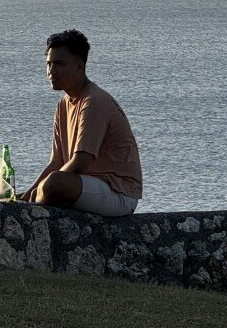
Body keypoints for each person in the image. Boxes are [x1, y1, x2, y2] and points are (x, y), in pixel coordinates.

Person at [21, 29, 142, 217]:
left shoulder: (93, 102)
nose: (52, 71)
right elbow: (56, 162)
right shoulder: (63, 105)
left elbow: (80, 162)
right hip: (88, 185)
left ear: (80, 66)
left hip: (119, 192)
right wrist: (29, 194)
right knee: (37, 189)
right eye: (49, 64)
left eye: (59, 64)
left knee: (54, 184)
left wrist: (42, 190)